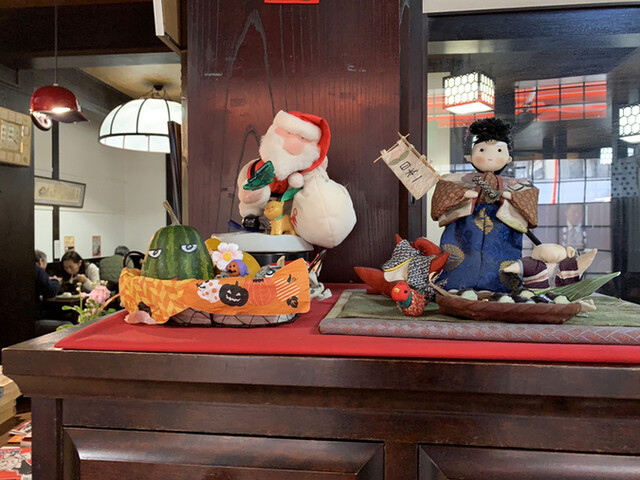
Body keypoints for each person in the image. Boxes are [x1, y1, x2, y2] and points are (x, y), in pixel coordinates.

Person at [431, 118, 539, 292]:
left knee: (500, 256)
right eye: (482, 150)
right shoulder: (458, 180)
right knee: (460, 253)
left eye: (499, 150)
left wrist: (507, 196)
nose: (490, 156)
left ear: (508, 158)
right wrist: (464, 194)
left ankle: (503, 289)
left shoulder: (516, 183)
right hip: (465, 222)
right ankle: (452, 286)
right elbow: (443, 193)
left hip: (501, 222)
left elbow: (528, 197)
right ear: (470, 157)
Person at [236, 110, 331, 230]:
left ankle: (286, 220)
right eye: (289, 133)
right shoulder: (264, 164)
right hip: (263, 182)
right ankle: (251, 215)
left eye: (302, 138)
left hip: (285, 195)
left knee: (293, 199)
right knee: (256, 192)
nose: (294, 142)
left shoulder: (300, 171)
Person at [35, 249, 72, 335]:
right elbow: (51, 291)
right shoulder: (37, 270)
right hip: (33, 321)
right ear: (41, 262)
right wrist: (56, 281)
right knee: (68, 325)